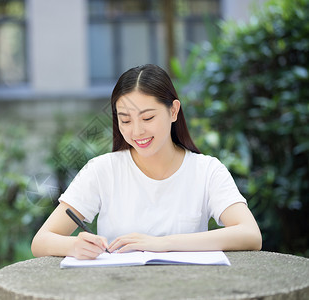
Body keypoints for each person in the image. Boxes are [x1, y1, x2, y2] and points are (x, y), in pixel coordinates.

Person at [31, 64, 262, 259]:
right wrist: (74, 246)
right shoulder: (102, 171)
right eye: (125, 120)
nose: (137, 131)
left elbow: (250, 235)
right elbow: (41, 241)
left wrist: (163, 243)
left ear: (173, 111)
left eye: (148, 117)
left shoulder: (207, 171)